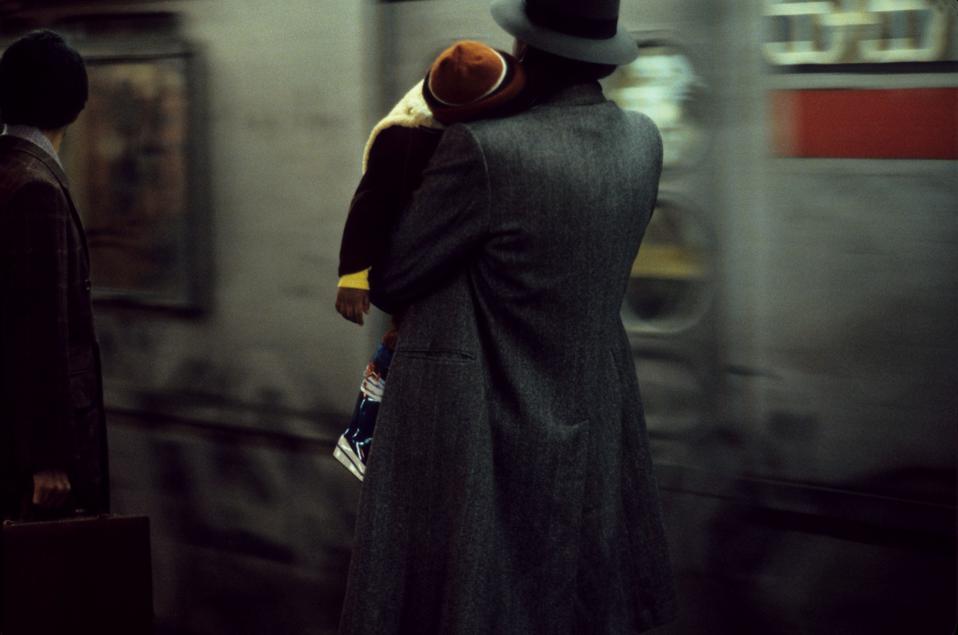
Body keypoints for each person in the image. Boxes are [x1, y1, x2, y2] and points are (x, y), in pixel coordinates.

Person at [338, 0, 677, 632]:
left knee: (472, 599)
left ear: (524, 52)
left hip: (484, 423)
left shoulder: (484, 149)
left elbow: (396, 277)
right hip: (595, 416)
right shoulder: (643, 143)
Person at [333, 40, 527, 481]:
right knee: (398, 341)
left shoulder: (485, 95)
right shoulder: (403, 137)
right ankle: (364, 437)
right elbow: (370, 204)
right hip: (412, 255)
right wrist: (354, 275)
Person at [0, 30, 109, 521]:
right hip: (35, 461)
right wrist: (48, 458)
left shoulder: (8, 170)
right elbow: (40, 325)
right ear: (75, 104)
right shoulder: (37, 188)